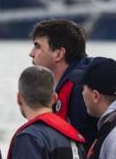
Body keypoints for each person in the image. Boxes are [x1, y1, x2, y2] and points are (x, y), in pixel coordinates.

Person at [29, 19, 97, 147]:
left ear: (58, 54)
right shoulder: (83, 78)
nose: (31, 53)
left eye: (37, 46)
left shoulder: (80, 91)